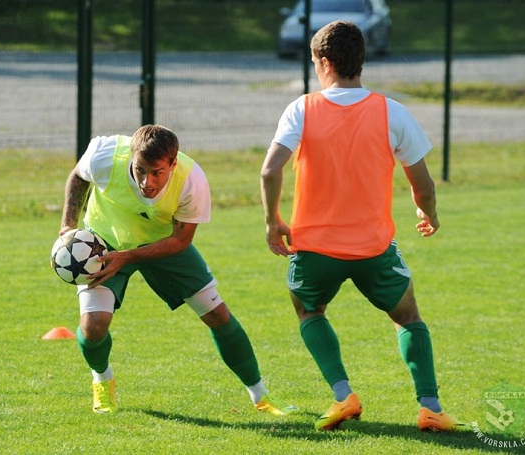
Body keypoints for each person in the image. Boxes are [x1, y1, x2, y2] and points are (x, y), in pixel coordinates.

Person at [260, 20, 464, 432]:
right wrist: (429, 213)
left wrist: (272, 221)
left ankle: (343, 396)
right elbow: (423, 185)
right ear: (360, 61)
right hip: (373, 249)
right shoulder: (392, 112)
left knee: (308, 309)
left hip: (314, 248)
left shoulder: (301, 109)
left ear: (324, 62)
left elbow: (269, 171)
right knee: (407, 316)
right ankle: (430, 408)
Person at [59, 123, 297, 416]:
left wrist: (129, 256)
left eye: (157, 172)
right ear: (132, 156)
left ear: (172, 164)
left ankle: (261, 395)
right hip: (103, 242)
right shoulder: (105, 154)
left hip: (163, 243)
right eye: (140, 170)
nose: (147, 181)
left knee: (217, 314)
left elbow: (181, 240)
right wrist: (68, 225)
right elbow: (78, 176)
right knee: (93, 326)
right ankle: (102, 379)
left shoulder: (191, 180)